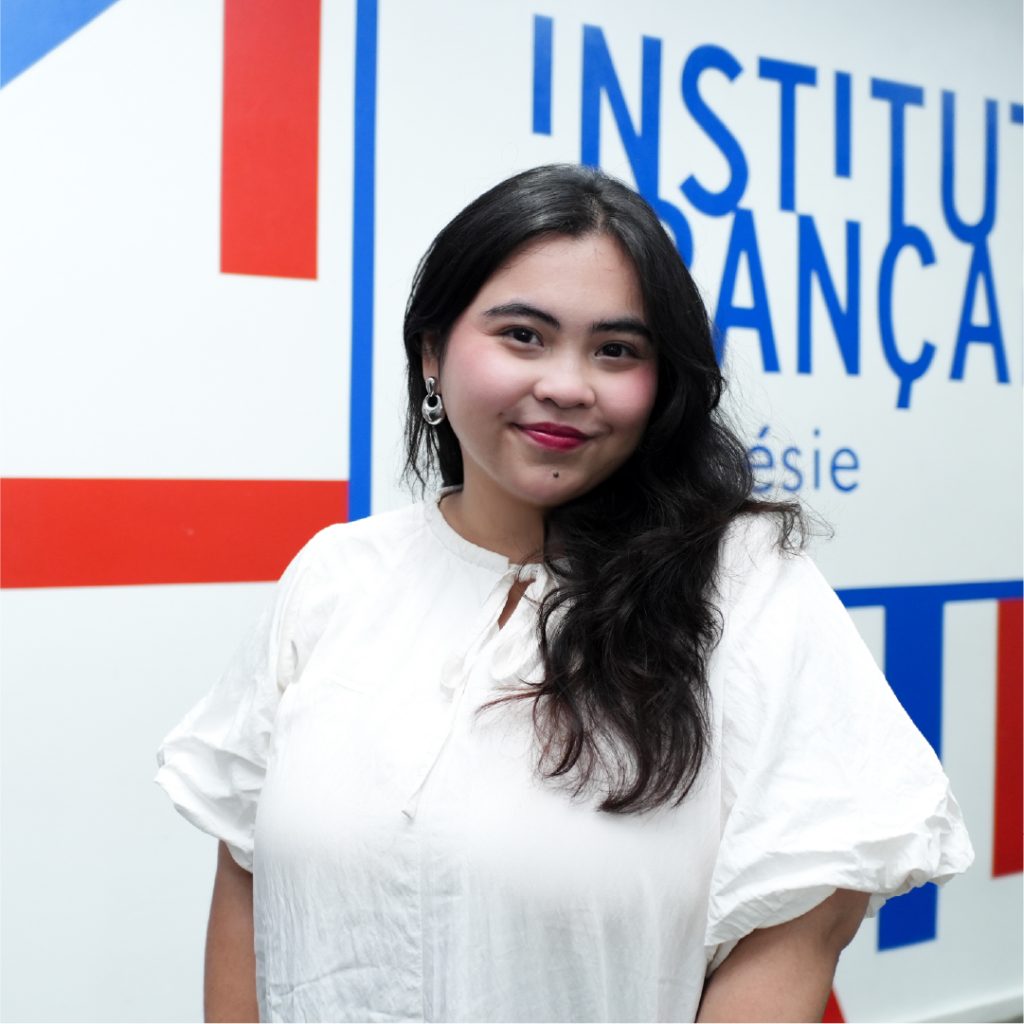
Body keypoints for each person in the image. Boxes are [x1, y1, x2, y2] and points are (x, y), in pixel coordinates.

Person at [155, 164, 973, 1023]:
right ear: (432, 352)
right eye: (523, 335)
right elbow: (246, 869)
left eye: (616, 350)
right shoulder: (338, 575)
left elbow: (806, 916)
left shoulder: (744, 584)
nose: (568, 385)